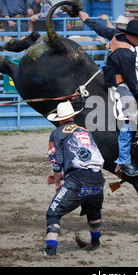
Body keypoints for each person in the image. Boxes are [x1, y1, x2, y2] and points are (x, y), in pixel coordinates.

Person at [79, 11, 138, 177]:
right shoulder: (125, 53)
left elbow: (100, 29)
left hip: (114, 77)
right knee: (129, 124)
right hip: (120, 85)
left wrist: (85, 18)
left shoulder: (117, 35)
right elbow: (131, 81)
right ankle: (123, 161)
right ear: (132, 35)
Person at [45, 101, 106, 256]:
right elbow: (88, 161)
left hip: (78, 180)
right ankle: (96, 242)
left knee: (53, 213)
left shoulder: (57, 133)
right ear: (72, 115)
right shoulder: (85, 131)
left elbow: (56, 161)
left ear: (59, 119)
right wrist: (65, 177)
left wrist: (58, 181)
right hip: (98, 178)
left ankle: (50, 251)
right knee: (93, 210)